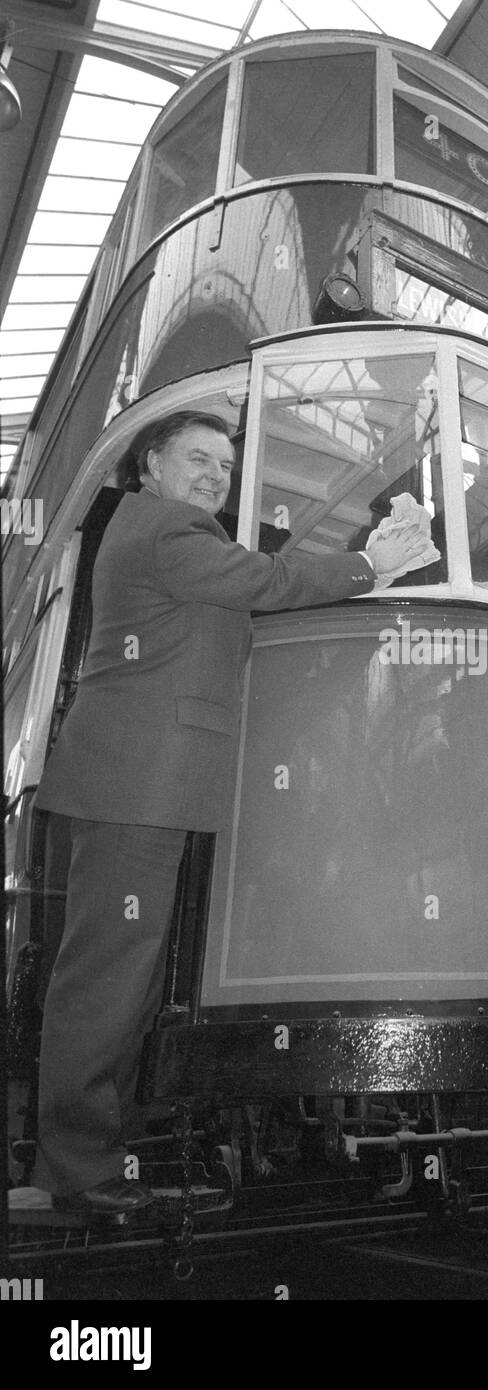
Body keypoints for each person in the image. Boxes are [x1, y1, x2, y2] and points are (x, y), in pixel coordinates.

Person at [28, 409, 429, 1215]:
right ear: (150, 466)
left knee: (125, 982)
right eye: (198, 458)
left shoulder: (172, 538)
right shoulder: (167, 530)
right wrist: (369, 563)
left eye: (225, 463)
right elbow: (268, 583)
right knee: (105, 984)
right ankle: (74, 1174)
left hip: (149, 789)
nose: (216, 473)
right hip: (135, 787)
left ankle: (96, 1160)